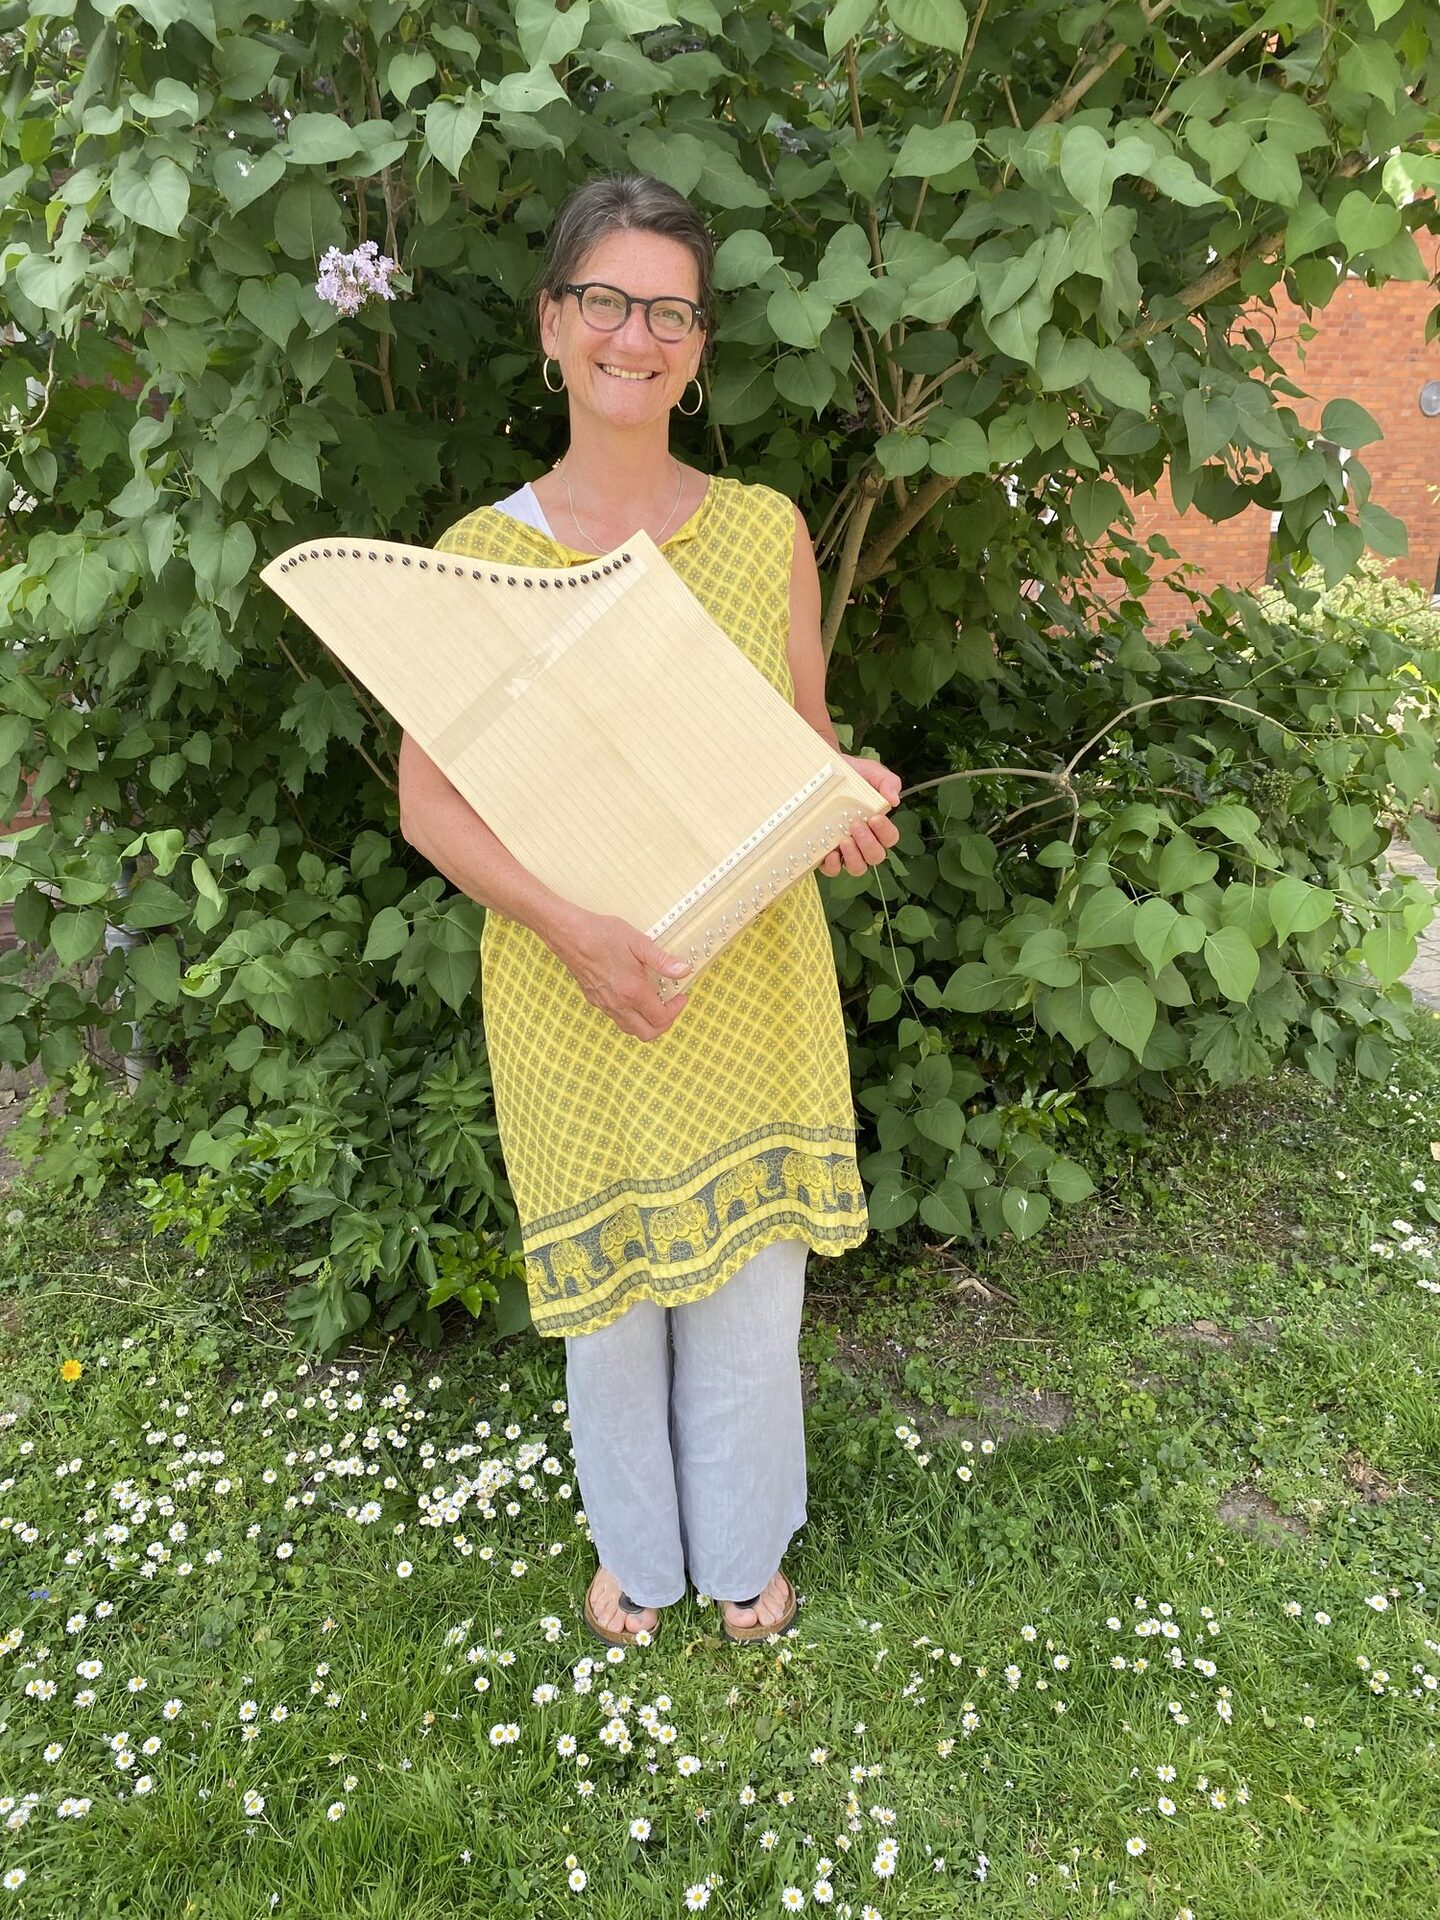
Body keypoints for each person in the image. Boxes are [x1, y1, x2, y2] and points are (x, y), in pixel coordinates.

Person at [398, 174, 900, 1648]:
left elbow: (801, 739)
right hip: (567, 977)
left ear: (699, 347)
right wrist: (576, 933)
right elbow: (431, 806)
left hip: (746, 968)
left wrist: (840, 801)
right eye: (607, 302)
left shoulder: (763, 530)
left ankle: (741, 1560)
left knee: (750, 1295)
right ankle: (638, 1558)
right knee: (612, 1315)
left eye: (670, 312)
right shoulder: (479, 559)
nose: (637, 335)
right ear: (552, 324)